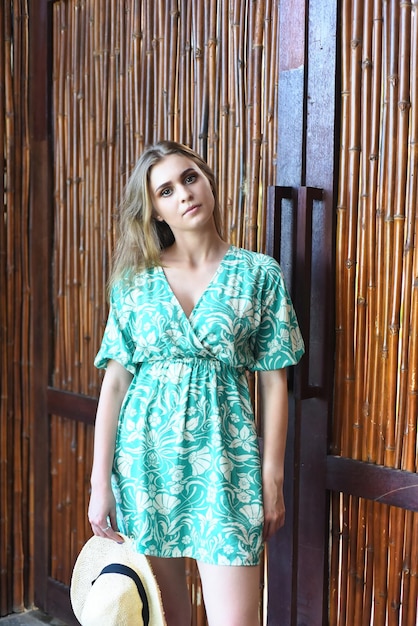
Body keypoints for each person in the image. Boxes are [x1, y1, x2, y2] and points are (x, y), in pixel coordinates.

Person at [88, 140, 304, 626]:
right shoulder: (134, 281)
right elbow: (116, 384)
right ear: (155, 211)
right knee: (166, 618)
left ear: (207, 180)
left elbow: (273, 384)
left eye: (189, 178)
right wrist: (101, 481)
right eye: (166, 190)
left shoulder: (258, 274)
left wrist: (271, 476)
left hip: (226, 465)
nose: (184, 194)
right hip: (145, 464)